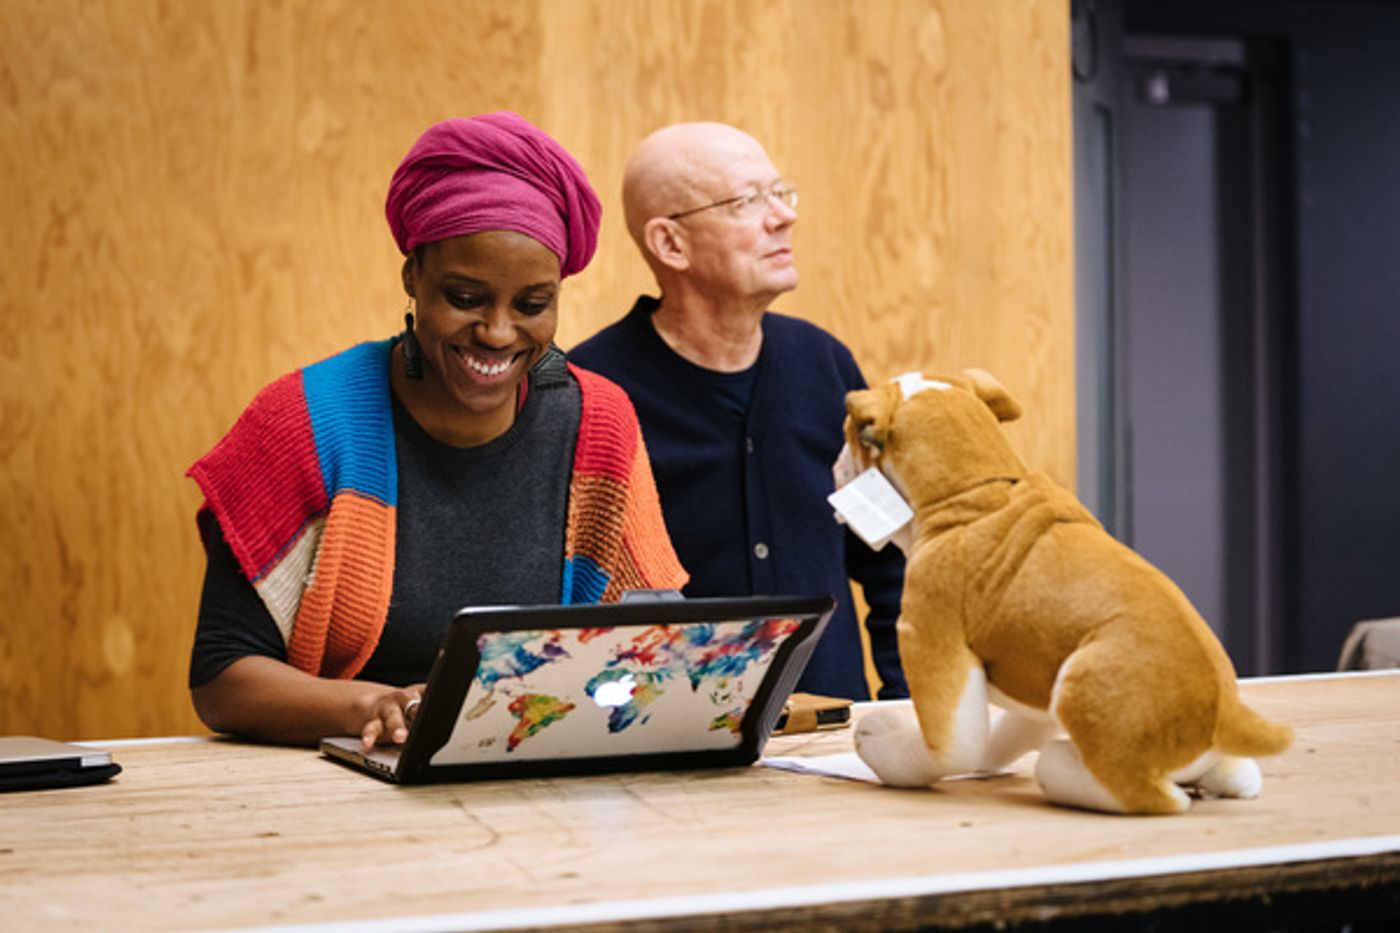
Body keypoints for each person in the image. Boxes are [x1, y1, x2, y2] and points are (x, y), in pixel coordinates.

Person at [187, 112, 686, 750]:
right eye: (466, 297)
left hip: (547, 780)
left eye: (532, 305)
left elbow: (657, 643)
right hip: (344, 787)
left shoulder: (598, 422)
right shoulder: (305, 422)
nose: (499, 333)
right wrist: (376, 704)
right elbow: (222, 679)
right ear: (412, 278)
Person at [569, 122, 907, 700]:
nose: (783, 216)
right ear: (670, 244)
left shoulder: (824, 365)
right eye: (748, 201)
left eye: (781, 193)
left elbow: (891, 558)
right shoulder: (593, 393)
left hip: (832, 741)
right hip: (669, 750)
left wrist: (907, 711)